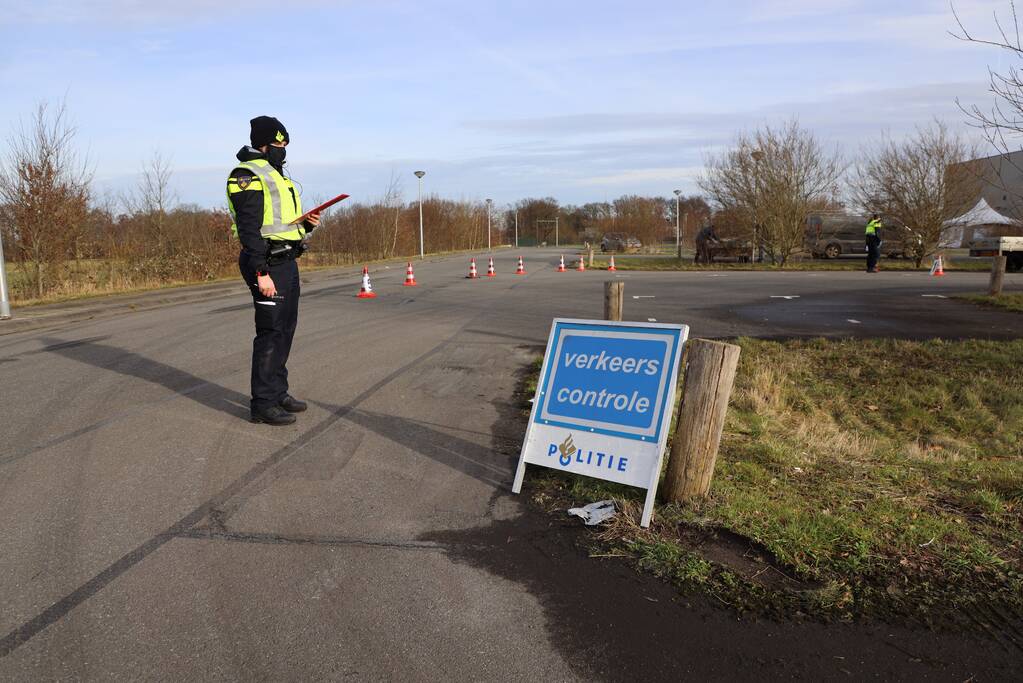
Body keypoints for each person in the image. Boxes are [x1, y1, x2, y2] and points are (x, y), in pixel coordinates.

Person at [227, 116, 320, 425]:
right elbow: (250, 228)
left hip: (287, 261)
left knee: (285, 330)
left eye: (285, 145)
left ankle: (278, 391)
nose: (284, 151)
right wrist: (260, 271)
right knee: (269, 332)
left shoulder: (277, 176)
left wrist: (307, 224)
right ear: (263, 144)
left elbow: (282, 224)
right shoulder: (246, 175)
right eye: (279, 145)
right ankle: (262, 403)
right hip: (265, 263)